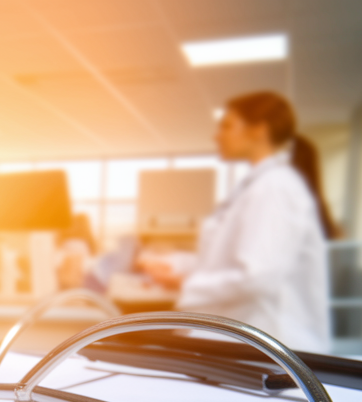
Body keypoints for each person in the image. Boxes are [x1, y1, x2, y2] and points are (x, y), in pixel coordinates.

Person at [137, 91, 338, 353]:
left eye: (227, 126)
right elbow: (224, 261)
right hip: (240, 337)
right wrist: (175, 265)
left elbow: (256, 277)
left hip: (266, 342)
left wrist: (183, 283)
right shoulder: (255, 186)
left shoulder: (275, 188)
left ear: (258, 130)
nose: (216, 135)